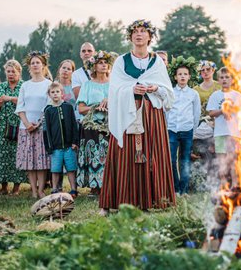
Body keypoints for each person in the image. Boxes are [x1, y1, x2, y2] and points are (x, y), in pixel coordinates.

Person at [99, 19, 175, 214]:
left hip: (151, 115)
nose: (139, 35)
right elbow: (115, 89)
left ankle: (153, 200)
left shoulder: (157, 61)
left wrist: (155, 87)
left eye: (143, 31)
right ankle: (120, 200)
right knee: (125, 155)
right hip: (128, 113)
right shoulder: (121, 61)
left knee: (152, 154)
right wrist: (131, 88)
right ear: (130, 36)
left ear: (150, 37)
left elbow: (167, 89)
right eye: (135, 32)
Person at [15, 51, 52, 198]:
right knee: (30, 159)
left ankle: (42, 189)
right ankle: (33, 190)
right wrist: (27, 123)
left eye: (38, 62)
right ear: (29, 67)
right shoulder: (25, 85)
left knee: (41, 160)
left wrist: (38, 123)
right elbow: (20, 106)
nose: (35, 65)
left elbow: (50, 105)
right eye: (33, 63)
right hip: (26, 127)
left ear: (43, 65)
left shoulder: (48, 84)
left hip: (42, 127)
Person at [76, 51, 112, 197]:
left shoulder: (115, 84)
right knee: (93, 155)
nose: (104, 65)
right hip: (92, 125)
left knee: (109, 155)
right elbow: (80, 108)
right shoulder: (87, 85)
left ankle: (109, 186)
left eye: (105, 63)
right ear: (94, 66)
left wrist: (110, 102)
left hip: (110, 125)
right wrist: (95, 107)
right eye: (100, 63)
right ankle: (94, 187)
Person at [0, 60, 27, 195]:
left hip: (19, 124)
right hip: (2, 126)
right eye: (8, 71)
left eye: (13, 72)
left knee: (17, 154)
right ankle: (4, 186)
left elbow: (25, 101)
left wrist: (9, 98)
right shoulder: (1, 87)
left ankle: (16, 187)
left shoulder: (24, 86)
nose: (10, 74)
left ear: (19, 72)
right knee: (1, 155)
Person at [166, 56, 201, 194]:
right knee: (171, 159)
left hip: (187, 130)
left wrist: (193, 129)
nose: (182, 76)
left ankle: (184, 189)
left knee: (185, 160)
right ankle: (175, 188)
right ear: (175, 77)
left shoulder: (193, 94)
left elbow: (196, 113)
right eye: (180, 74)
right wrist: (167, 126)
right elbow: (166, 110)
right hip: (172, 129)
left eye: (185, 74)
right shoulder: (171, 92)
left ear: (189, 77)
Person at [207, 67, 241, 188]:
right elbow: (211, 113)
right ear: (218, 80)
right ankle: (223, 183)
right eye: (222, 78)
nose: (224, 80)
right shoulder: (215, 95)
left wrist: (230, 109)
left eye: (227, 77)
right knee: (221, 159)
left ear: (232, 79)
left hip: (234, 133)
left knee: (233, 159)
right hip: (220, 132)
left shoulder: (237, 95)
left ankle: (234, 182)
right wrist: (222, 110)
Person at [43, 82, 79, 197]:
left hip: (69, 146)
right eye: (52, 92)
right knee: (55, 169)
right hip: (55, 147)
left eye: (57, 92)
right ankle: (54, 189)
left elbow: (74, 125)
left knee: (71, 168)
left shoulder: (68, 107)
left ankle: (73, 189)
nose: (55, 94)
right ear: (49, 95)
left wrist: (75, 141)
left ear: (61, 93)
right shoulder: (48, 110)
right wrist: (49, 146)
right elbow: (46, 130)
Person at [192, 60, 221, 162]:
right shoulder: (196, 89)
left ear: (213, 70)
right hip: (203, 121)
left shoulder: (219, 86)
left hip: (219, 119)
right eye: (202, 70)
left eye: (208, 69)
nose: (205, 72)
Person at [71, 42, 95, 122]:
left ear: (94, 53)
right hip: (85, 116)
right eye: (83, 51)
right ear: (80, 54)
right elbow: (79, 97)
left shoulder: (103, 71)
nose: (86, 53)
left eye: (89, 51)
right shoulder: (76, 74)